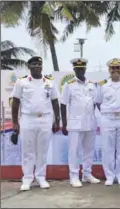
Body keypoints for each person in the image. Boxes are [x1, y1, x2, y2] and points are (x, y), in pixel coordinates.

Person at [11, 56, 60, 191]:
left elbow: (55, 102)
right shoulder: (22, 82)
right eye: (34, 64)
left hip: (45, 119)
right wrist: (15, 122)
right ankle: (27, 178)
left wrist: (57, 120)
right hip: (28, 119)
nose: (37, 66)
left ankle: (41, 177)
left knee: (42, 151)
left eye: (39, 64)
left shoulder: (49, 82)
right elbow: (15, 102)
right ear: (29, 66)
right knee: (28, 151)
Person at [60, 58, 101, 187]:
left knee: (88, 150)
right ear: (74, 70)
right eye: (77, 69)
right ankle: (73, 176)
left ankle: (87, 174)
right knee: (74, 150)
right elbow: (63, 104)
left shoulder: (92, 85)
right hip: (75, 121)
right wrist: (65, 123)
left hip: (90, 121)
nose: (79, 71)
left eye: (81, 69)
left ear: (85, 69)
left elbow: (95, 102)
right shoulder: (69, 85)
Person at [96, 58, 120, 186]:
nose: (115, 71)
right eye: (113, 68)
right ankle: (109, 176)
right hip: (107, 118)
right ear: (109, 70)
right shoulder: (103, 86)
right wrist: (107, 112)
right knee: (108, 148)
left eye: (118, 68)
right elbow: (98, 102)